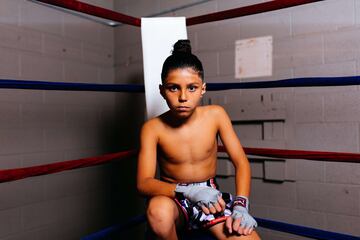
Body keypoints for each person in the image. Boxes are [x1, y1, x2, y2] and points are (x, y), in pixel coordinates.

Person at [137, 39, 260, 240]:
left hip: (209, 198)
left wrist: (241, 205)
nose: (183, 96)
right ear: (162, 90)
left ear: (203, 89)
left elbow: (241, 163)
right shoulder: (152, 128)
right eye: (173, 88)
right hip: (174, 197)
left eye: (192, 88)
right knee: (157, 211)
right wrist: (187, 191)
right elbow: (143, 183)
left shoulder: (216, 115)